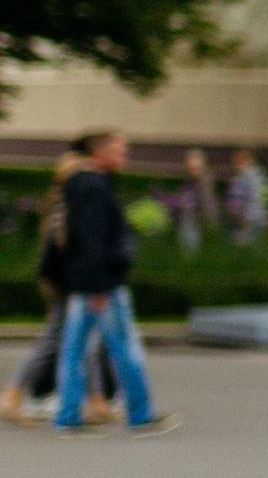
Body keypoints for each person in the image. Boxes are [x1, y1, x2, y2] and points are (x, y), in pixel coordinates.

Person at [50, 130, 176, 437]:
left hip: (85, 284)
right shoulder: (94, 187)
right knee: (125, 348)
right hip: (102, 285)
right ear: (98, 152)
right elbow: (92, 241)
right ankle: (141, 415)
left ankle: (67, 416)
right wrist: (98, 285)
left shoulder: (80, 185)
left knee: (73, 350)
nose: (124, 155)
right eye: (119, 149)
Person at [0, 145, 118, 425]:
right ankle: (13, 395)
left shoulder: (64, 203)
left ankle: (95, 400)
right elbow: (66, 248)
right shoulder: (67, 206)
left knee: (85, 340)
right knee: (55, 341)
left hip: (66, 282)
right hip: (69, 284)